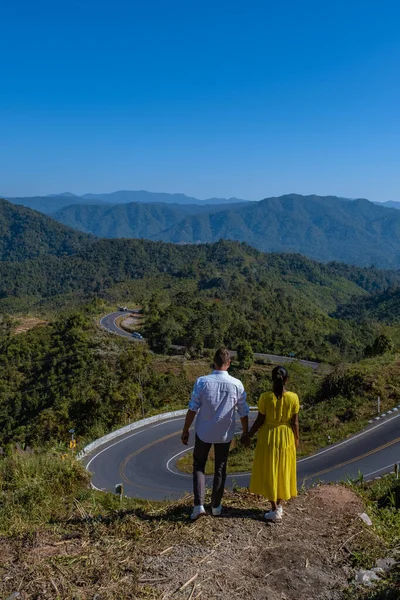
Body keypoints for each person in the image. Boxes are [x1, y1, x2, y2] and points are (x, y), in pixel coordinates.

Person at [181, 347, 249, 521]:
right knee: (220, 468)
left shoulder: (202, 382)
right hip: (224, 434)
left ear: (214, 362)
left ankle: (199, 506)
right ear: (229, 363)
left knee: (199, 465)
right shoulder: (237, 384)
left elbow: (192, 408)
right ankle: (216, 507)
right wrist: (246, 432)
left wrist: (185, 429)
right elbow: (243, 411)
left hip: (203, 432)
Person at [242, 365, 299, 523]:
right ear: (286, 380)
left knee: (270, 470)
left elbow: (260, 420)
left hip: (268, 437)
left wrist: (249, 435)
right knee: (283, 470)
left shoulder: (265, 397)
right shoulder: (293, 398)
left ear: (272, 379)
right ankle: (278, 506)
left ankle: (274, 508)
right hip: (286, 436)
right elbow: (295, 422)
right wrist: (297, 439)